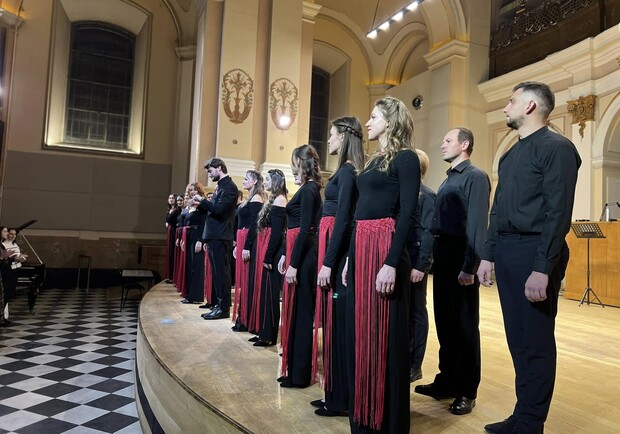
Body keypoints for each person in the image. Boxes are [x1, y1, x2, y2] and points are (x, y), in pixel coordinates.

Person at [477, 82, 581, 434]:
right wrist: (487, 254)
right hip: (506, 251)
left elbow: (557, 213)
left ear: (532, 106)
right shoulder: (509, 154)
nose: (506, 108)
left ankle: (531, 422)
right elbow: (498, 209)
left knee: (535, 340)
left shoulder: (558, 148)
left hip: (533, 252)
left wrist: (542, 268)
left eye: (511, 101)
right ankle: (523, 414)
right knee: (517, 339)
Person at [343, 96, 419, 433]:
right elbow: (360, 213)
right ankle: (364, 411)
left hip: (384, 246)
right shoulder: (374, 161)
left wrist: (390, 262)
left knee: (386, 333)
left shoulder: (406, 159)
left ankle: (387, 420)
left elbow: (407, 213)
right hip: (362, 246)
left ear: (390, 121)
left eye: (374, 116)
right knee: (362, 330)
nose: (368, 122)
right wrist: (349, 258)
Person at [415, 127, 490, 416]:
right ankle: (447, 380)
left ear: (464, 144)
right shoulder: (450, 179)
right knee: (446, 322)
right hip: (445, 257)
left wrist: (470, 265)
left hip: (461, 257)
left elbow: (476, 223)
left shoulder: (476, 177)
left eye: (448, 141)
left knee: (465, 326)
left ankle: (467, 390)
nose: (442, 145)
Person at [311, 116, 364, 417]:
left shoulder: (348, 171)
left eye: (331, 134)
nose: (328, 139)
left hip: (340, 255)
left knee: (340, 328)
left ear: (344, 136)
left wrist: (329, 263)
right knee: (332, 327)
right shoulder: (345, 171)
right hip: (336, 252)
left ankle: (341, 398)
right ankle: (334, 392)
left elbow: (344, 219)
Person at [277, 144, 322, 388]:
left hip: (305, 257)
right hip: (299, 252)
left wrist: (293, 263)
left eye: (294, 162)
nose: (292, 167)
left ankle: (301, 374)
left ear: (302, 163)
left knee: (302, 314)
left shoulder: (309, 190)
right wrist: (287, 255)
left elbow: (305, 230)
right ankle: (293, 369)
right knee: (294, 313)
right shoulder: (306, 189)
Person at [196, 158, 239, 320]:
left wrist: (202, 201)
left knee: (222, 273)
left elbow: (219, 210)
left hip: (221, 235)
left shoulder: (230, 187)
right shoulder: (221, 186)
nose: (209, 174)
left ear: (219, 168)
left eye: (210, 171)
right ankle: (218, 306)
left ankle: (223, 309)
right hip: (215, 235)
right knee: (217, 273)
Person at [250, 169, 287, 346]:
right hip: (268, 248)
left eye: (267, 179)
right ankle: (263, 331)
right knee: (264, 293)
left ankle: (269, 335)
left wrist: (268, 256)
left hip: (273, 250)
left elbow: (278, 233)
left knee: (270, 294)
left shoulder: (280, 199)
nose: (264, 182)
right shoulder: (273, 198)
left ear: (276, 180)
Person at [408, 149, 436, 383]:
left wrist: (422, 264)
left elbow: (429, 233)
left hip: (417, 256)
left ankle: (415, 364)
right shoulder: (403, 193)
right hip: (404, 255)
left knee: (417, 311)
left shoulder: (427, 196)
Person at [232, 170, 265, 332]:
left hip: (249, 241)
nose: (243, 181)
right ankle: (243, 317)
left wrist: (245, 246)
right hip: (242, 239)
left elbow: (254, 224)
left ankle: (248, 319)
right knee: (243, 283)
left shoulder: (257, 198)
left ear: (254, 182)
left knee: (248, 282)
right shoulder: (250, 198)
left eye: (246, 179)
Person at [181, 183, 208, 304]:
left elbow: (204, 223)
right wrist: (183, 239)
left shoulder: (202, 204)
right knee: (190, 265)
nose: (192, 192)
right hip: (189, 236)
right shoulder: (190, 205)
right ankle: (189, 294)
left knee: (197, 266)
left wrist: (200, 240)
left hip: (198, 235)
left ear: (199, 190)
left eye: (195, 189)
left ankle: (196, 296)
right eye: (190, 190)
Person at [165, 194, 182, 283]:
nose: (171, 200)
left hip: (174, 231)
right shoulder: (170, 210)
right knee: (169, 252)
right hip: (170, 231)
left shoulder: (177, 210)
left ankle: (173, 276)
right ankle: (169, 275)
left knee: (173, 251)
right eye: (169, 198)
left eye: (173, 198)